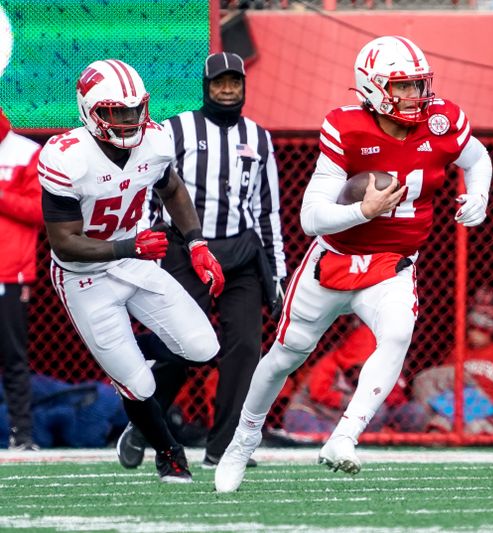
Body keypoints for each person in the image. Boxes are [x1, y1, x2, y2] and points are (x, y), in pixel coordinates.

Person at [214, 35, 493, 492]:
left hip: (392, 262)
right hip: (335, 259)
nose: (414, 96)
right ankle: (242, 440)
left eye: (419, 85)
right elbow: (310, 217)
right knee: (285, 355)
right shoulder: (348, 128)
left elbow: (477, 158)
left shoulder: (443, 122)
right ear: (372, 88)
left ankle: (344, 436)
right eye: (402, 87)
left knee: (398, 333)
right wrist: (364, 211)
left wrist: (478, 193)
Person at [38, 59, 224, 482]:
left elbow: (172, 187)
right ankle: (168, 452)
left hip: (134, 259)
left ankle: (133, 354)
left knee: (202, 348)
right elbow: (64, 241)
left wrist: (195, 242)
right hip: (83, 275)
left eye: (133, 110)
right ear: (90, 111)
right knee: (138, 386)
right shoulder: (67, 157)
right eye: (115, 112)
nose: (127, 121)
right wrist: (130, 245)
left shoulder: (155, 142)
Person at [115, 51, 286, 470]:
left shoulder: (259, 137)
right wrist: (151, 257)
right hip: (186, 248)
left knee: (245, 348)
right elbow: (153, 192)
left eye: (234, 83)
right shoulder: (175, 130)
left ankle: (223, 446)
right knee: (183, 348)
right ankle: (144, 426)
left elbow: (268, 211)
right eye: (219, 83)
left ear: (244, 87)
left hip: (242, 253)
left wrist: (278, 273)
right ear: (206, 87)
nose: (227, 90)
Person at [411, 287, 493, 434]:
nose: (475, 334)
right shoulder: (459, 351)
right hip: (454, 408)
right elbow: (444, 383)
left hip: (488, 413)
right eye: (472, 328)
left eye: (482, 329)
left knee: (471, 428)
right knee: (425, 387)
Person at [283, 318, 426, 434]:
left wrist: (379, 393)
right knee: (329, 437)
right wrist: (348, 400)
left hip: (346, 420)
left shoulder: (383, 370)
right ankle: (357, 444)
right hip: (312, 414)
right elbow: (318, 393)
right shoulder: (330, 364)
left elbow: (397, 400)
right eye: (358, 364)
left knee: (411, 411)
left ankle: (384, 445)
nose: (361, 369)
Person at [0, 107, 42, 451]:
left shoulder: (25, 151)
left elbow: (41, 211)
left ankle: (22, 435)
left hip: (9, 272)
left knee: (13, 356)